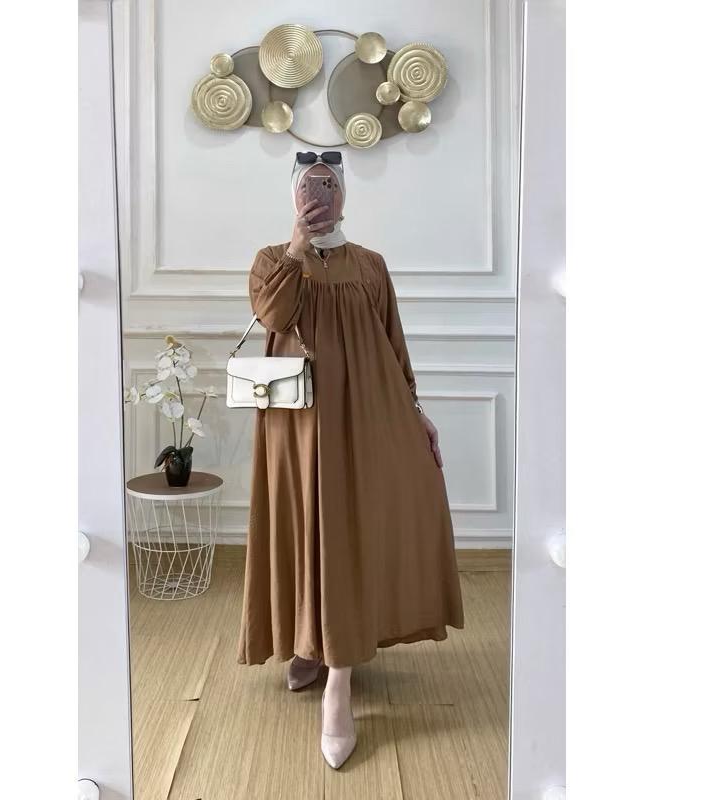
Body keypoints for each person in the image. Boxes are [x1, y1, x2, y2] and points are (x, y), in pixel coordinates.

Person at [237, 151, 464, 769]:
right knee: (307, 525)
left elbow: (394, 342)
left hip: (370, 414)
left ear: (345, 194)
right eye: (309, 185)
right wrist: (296, 246)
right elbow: (273, 316)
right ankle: (309, 642)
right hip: (298, 424)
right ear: (293, 194)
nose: (320, 194)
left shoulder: (371, 264)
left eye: (330, 184)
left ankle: (339, 677)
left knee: (353, 530)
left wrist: (415, 411)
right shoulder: (271, 260)